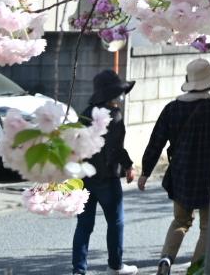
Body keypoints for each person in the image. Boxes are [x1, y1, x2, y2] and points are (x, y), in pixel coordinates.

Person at [140, 59, 210, 275]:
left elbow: (156, 140)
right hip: (209, 176)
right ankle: (195, 269)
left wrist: (145, 172)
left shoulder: (172, 109)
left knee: (180, 220)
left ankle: (166, 259)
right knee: (207, 227)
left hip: (181, 173)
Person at [73, 69, 139, 275]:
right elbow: (115, 148)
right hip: (107, 178)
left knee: (84, 225)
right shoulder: (115, 116)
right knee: (116, 222)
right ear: (112, 94)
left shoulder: (85, 113)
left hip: (84, 177)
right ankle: (115, 266)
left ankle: (79, 270)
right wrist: (128, 165)